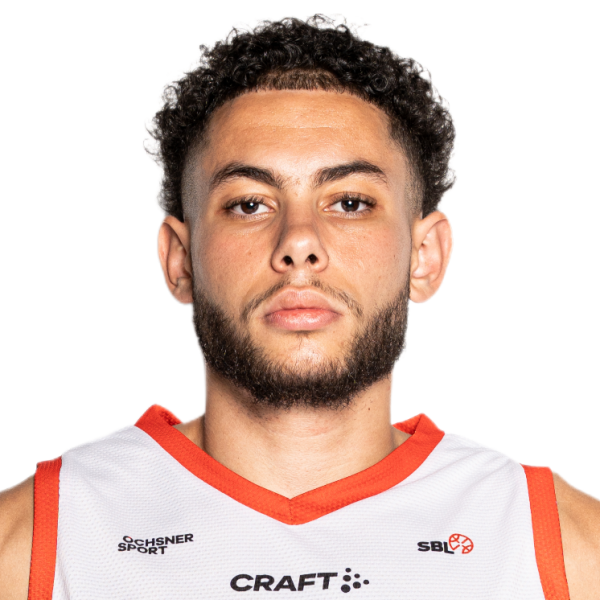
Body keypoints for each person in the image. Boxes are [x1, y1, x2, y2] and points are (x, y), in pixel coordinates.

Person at [1, 13, 598, 600]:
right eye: (249, 204)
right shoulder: (27, 544)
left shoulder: (569, 550)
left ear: (425, 256)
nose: (299, 242)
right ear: (180, 260)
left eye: (350, 202)